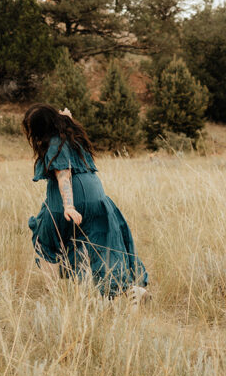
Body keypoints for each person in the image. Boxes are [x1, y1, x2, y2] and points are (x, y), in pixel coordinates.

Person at [24, 103, 148, 299]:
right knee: (99, 248)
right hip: (97, 197)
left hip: (70, 200)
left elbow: (64, 173)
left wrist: (69, 206)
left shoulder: (54, 143)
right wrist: (65, 117)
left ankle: (55, 295)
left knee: (44, 241)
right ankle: (129, 290)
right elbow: (65, 121)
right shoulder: (73, 138)